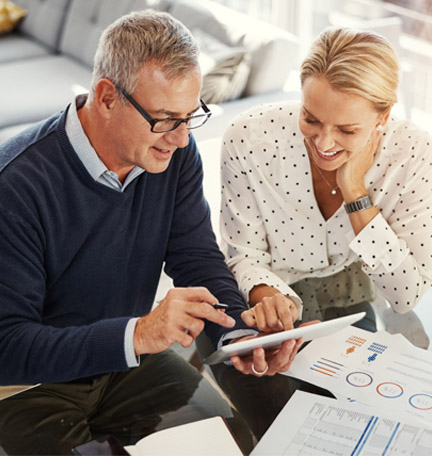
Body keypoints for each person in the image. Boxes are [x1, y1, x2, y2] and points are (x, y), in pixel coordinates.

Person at [0, 10, 301, 455]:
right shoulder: (17, 185)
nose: (180, 139)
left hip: (127, 363)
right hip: (30, 383)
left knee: (227, 443)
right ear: (106, 97)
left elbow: (197, 259)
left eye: (190, 116)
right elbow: (8, 346)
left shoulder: (172, 154)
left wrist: (240, 335)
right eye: (164, 119)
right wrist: (138, 334)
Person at [211, 26, 432, 438]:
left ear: (383, 116)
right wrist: (266, 295)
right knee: (268, 427)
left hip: (347, 296)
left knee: (354, 426)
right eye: (310, 118)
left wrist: (354, 191)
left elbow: (405, 295)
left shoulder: (415, 154)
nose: (324, 142)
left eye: (347, 130)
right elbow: (241, 254)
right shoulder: (249, 139)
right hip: (267, 297)